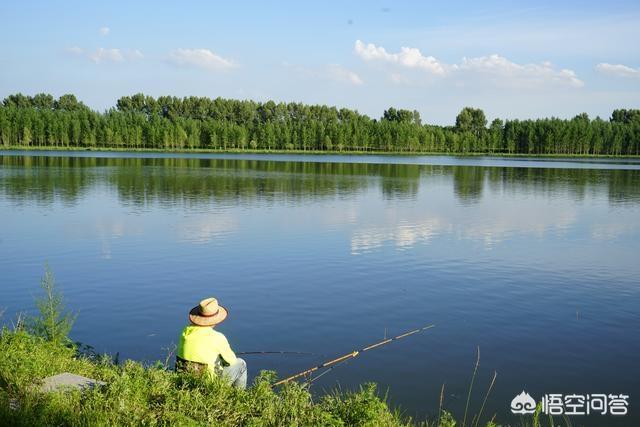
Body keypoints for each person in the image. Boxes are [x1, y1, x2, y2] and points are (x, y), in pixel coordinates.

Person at [176, 297, 247, 389]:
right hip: (209, 385)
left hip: (185, 381)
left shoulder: (185, 333)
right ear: (216, 319)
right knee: (241, 363)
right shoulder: (217, 337)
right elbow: (231, 361)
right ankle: (238, 397)